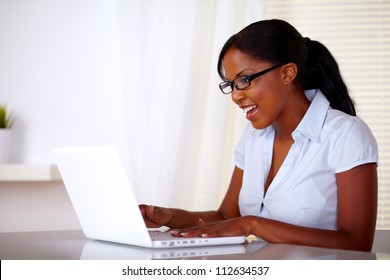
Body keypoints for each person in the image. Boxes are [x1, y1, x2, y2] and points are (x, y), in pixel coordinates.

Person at [139, 19, 378, 252]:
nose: (235, 96)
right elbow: (225, 217)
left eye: (245, 80)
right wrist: (168, 216)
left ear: (287, 73)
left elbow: (356, 242)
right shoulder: (254, 138)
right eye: (230, 84)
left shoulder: (345, 134)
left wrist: (252, 224)